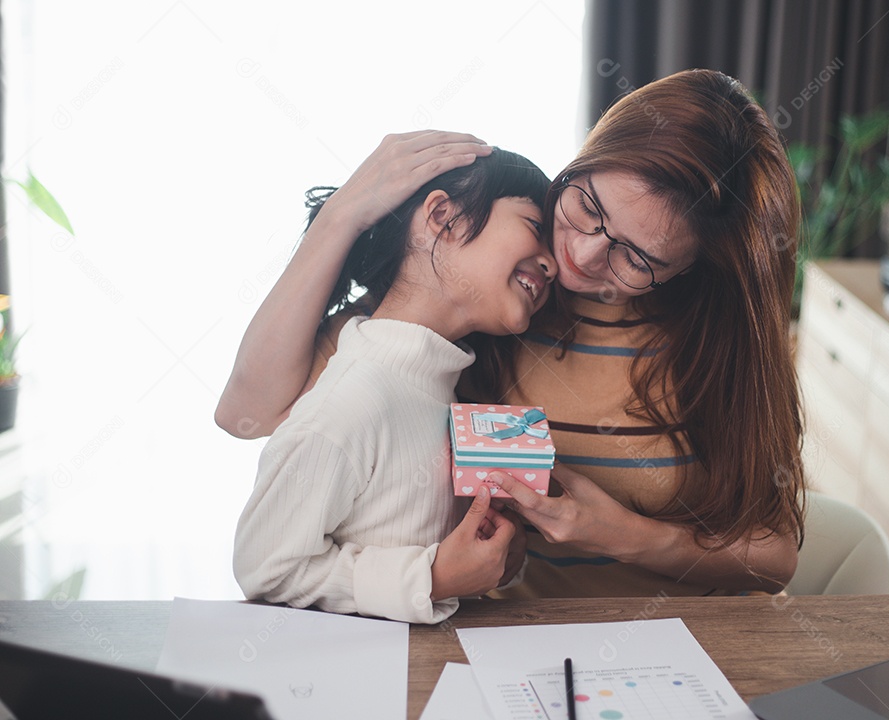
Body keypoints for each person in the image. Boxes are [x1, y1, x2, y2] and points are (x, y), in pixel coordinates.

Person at [219, 68, 805, 599]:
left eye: (637, 258)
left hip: (688, 649)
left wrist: (624, 536)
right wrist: (342, 214)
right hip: (501, 645)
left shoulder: (713, 342)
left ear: (686, 269)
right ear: (583, 159)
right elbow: (247, 411)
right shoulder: (488, 295)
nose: (577, 252)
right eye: (587, 205)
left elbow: (774, 555)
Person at [231, 147, 556, 623]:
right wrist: (433, 578)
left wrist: (484, 559)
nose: (552, 263)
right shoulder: (353, 398)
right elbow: (264, 567)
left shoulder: (441, 392)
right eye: (533, 226)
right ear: (443, 217)